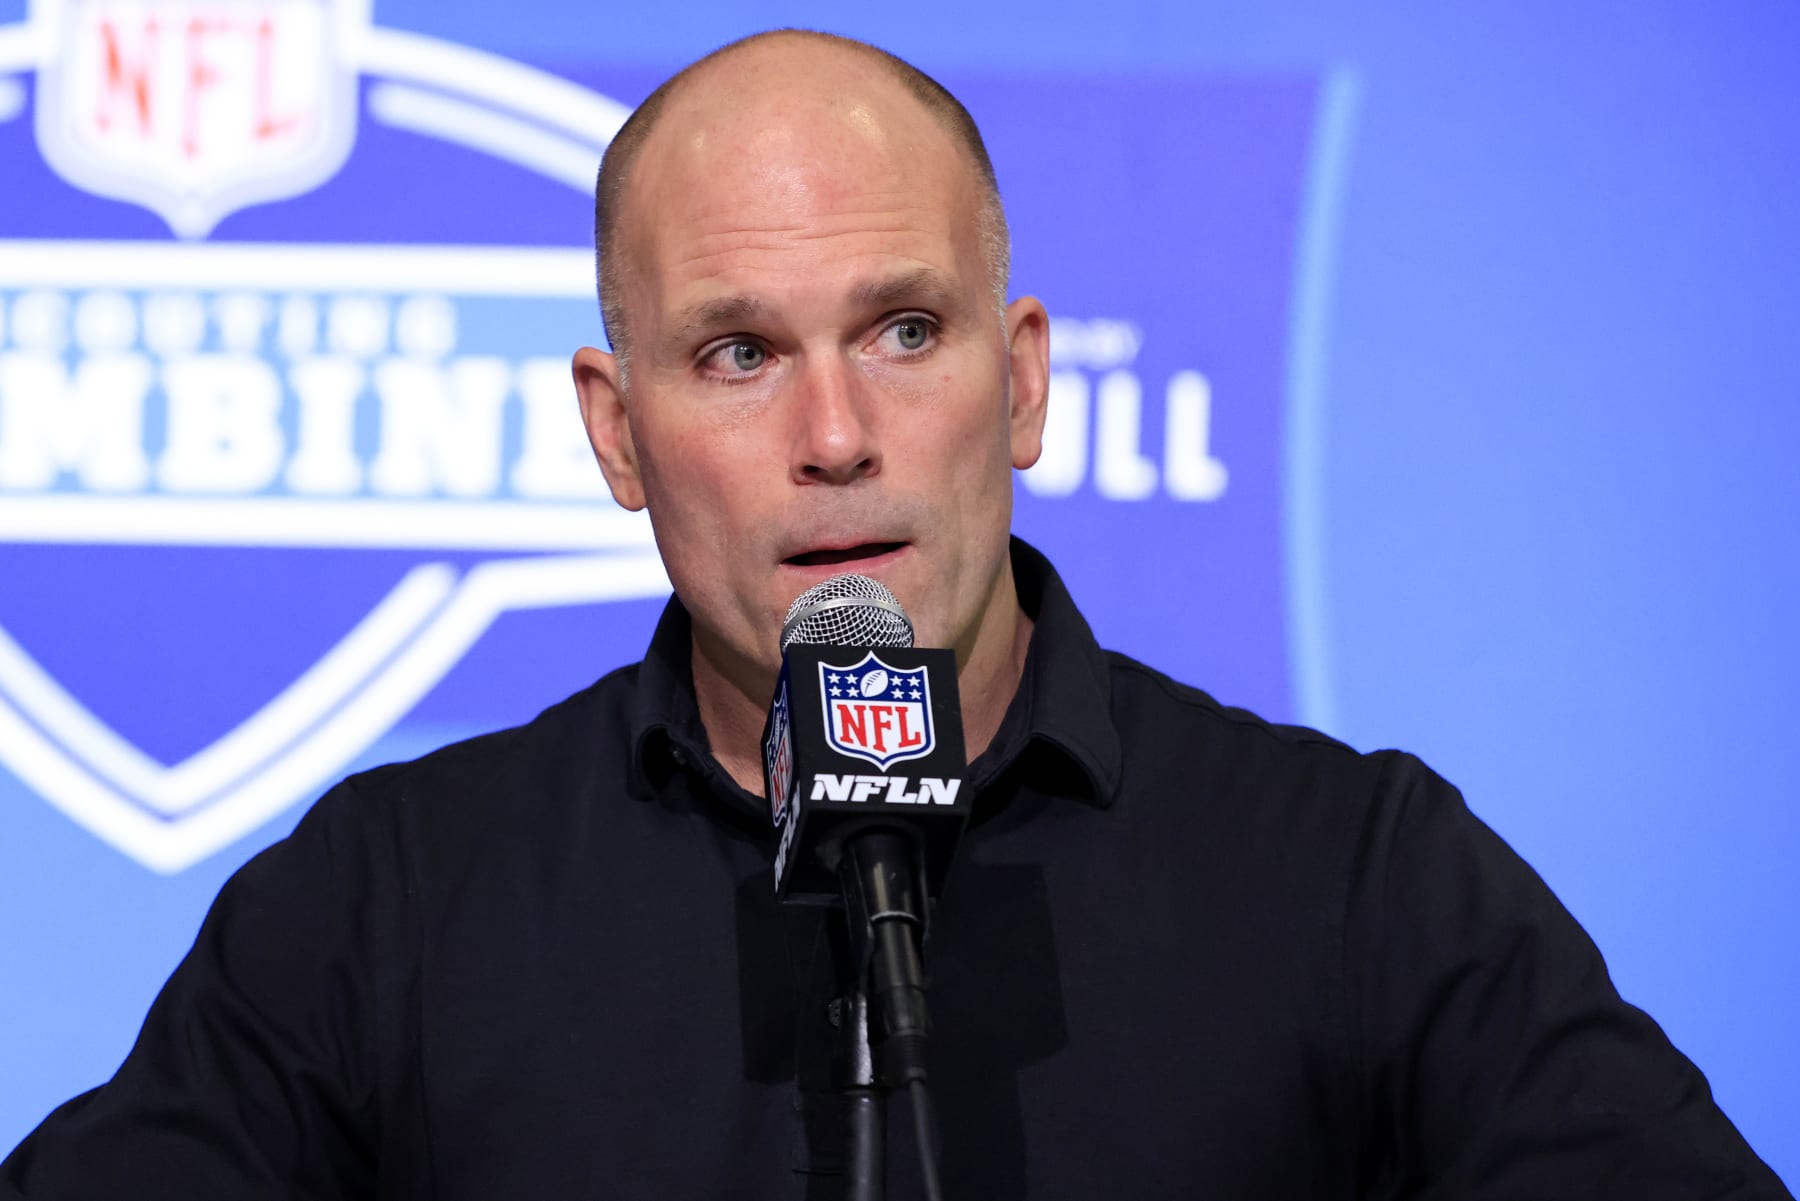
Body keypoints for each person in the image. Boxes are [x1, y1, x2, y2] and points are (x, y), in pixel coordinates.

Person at [3, 28, 1790, 1201]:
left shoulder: (1356, 872)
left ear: (1022, 383)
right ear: (620, 436)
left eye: (905, 331)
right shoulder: (388, 901)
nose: (837, 435)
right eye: (737, 354)